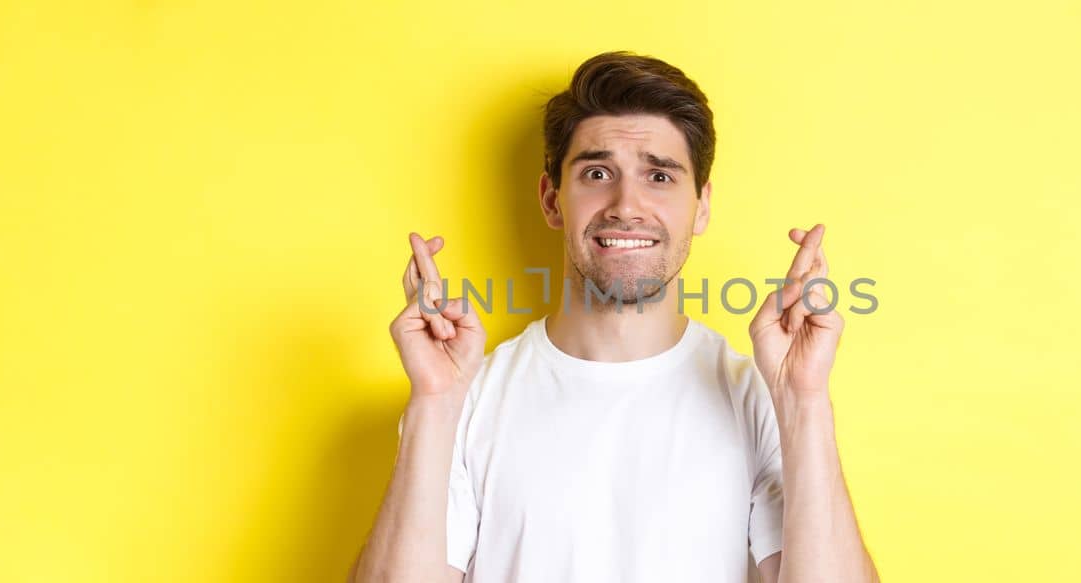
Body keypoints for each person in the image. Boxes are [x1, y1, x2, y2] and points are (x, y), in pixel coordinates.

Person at [351, 51, 878, 583]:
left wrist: (804, 401)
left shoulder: (761, 398)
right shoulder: (464, 401)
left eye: (660, 176)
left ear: (701, 207)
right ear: (552, 200)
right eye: (598, 172)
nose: (626, 205)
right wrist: (434, 403)